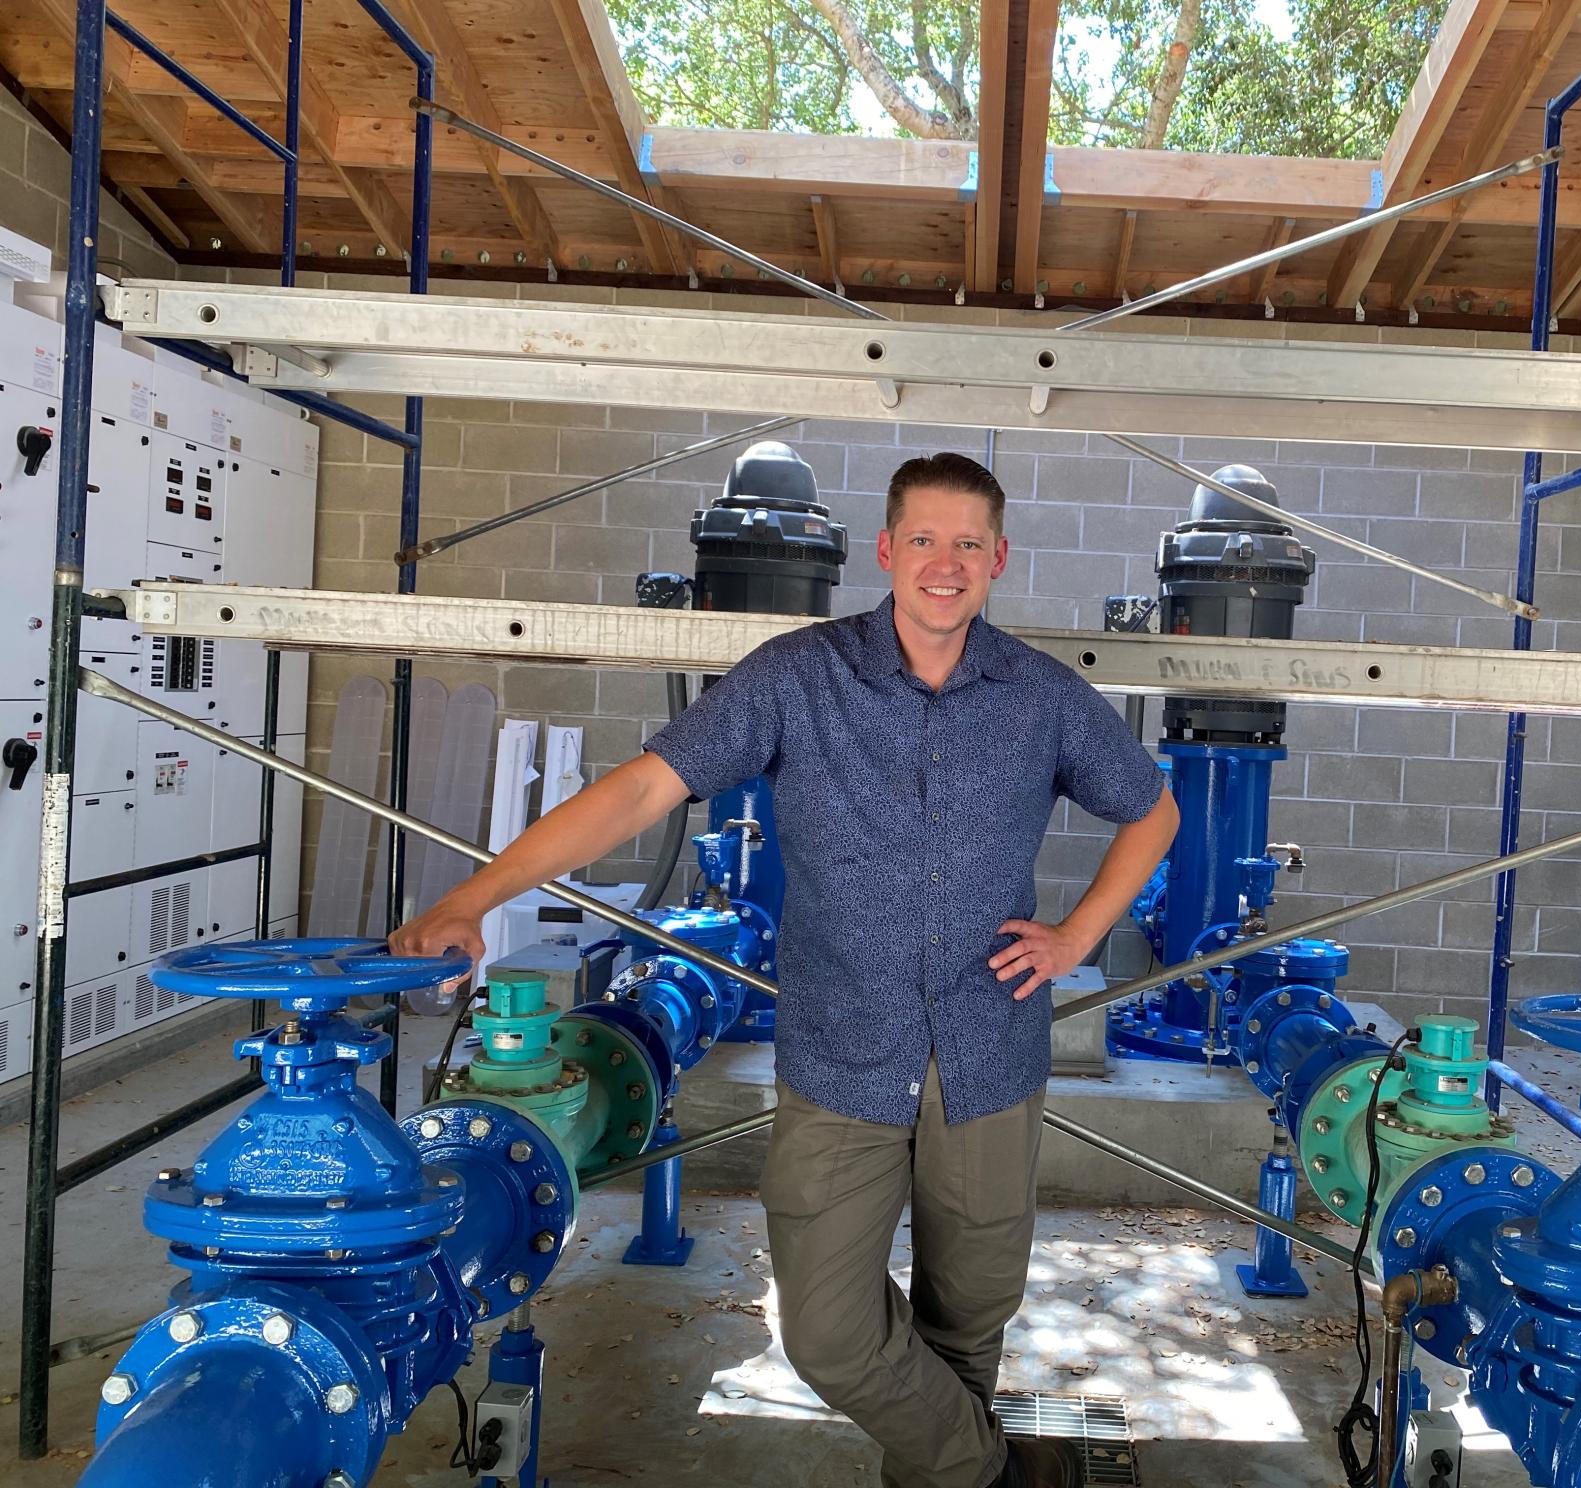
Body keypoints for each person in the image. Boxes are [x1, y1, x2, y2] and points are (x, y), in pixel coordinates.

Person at [391, 451, 1179, 1488]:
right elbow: (638, 793)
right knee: (829, 1334)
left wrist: (1075, 939)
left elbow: (1151, 808)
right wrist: (470, 899)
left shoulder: (1041, 697)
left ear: (998, 560)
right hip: (843, 1058)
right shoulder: (798, 676)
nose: (946, 563)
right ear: (889, 551)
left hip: (989, 1053)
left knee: (968, 1320)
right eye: (926, 540)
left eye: (969, 544)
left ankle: (949, 1472)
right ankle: (991, 1471)